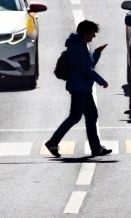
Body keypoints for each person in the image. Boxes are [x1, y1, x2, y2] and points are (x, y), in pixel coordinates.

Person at [45, 20, 112, 158]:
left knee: (91, 115)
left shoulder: (82, 46)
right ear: (85, 33)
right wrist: (101, 81)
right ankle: (53, 141)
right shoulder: (77, 48)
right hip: (79, 87)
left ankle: (96, 148)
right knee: (75, 116)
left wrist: (96, 53)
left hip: (83, 87)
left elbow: (89, 65)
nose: (93, 36)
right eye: (92, 33)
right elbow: (87, 70)